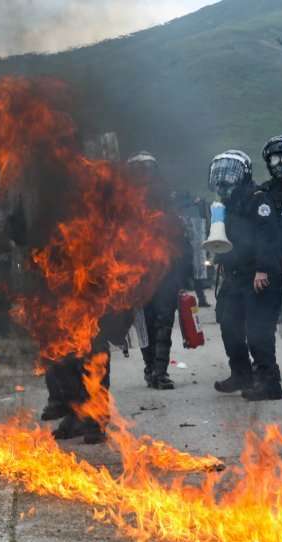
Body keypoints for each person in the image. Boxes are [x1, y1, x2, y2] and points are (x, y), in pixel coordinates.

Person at [209, 148, 282, 401]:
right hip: (234, 275)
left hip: (257, 275)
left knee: (258, 330)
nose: (224, 179)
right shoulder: (225, 205)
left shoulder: (257, 199)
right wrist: (220, 259)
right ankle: (241, 374)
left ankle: (269, 382)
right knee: (229, 325)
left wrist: (263, 269)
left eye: (229, 173)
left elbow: (268, 237)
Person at [127, 152, 191, 390]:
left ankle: (160, 371)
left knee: (163, 321)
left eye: (147, 170)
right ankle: (150, 368)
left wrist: (185, 274)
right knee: (145, 321)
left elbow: (182, 241)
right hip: (139, 274)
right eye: (139, 171)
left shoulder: (167, 203)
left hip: (166, 271)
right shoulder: (125, 206)